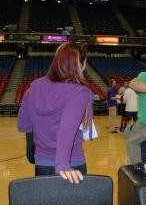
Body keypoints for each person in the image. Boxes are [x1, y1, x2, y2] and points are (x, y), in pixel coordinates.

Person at [17, 42, 93, 184]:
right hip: (70, 163)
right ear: (80, 65)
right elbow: (66, 130)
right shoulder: (79, 92)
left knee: (46, 204)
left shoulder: (34, 86)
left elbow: (24, 124)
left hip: (42, 162)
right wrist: (63, 164)